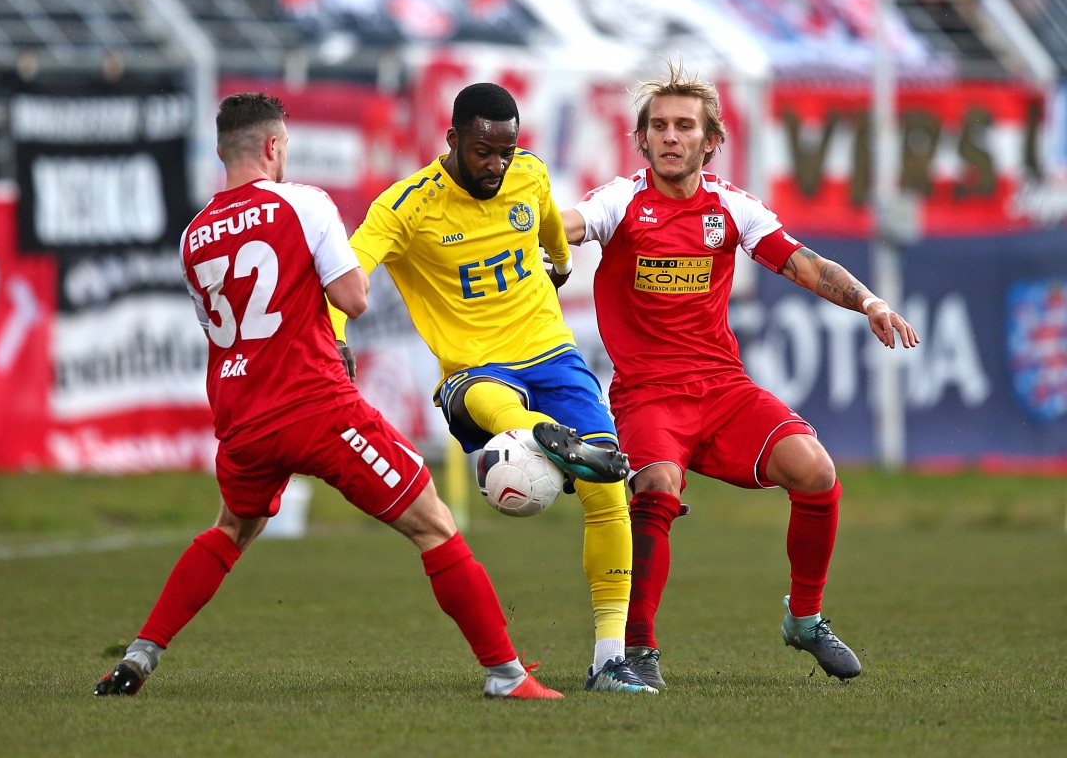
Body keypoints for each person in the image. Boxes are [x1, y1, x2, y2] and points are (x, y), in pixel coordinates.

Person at [94, 92, 561, 701]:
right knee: (435, 525)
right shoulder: (305, 203)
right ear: (273, 146)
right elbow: (353, 298)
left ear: (220, 150)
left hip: (241, 417)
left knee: (231, 528)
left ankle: (139, 656)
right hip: (316, 408)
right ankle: (507, 675)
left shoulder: (194, 236)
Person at [560, 61, 920, 687]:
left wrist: (870, 302)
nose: (671, 137)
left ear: (711, 141)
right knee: (655, 488)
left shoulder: (731, 207)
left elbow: (805, 265)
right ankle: (638, 654)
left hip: (723, 390)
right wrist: (531, 229)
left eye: (685, 126)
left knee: (816, 471)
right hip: (648, 397)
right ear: (641, 139)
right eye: (659, 127)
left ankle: (804, 620)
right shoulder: (621, 200)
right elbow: (570, 223)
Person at [332, 82, 655, 693]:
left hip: (552, 354)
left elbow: (552, 228)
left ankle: (609, 659)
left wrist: (559, 264)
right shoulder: (405, 207)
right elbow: (348, 271)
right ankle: (548, 439)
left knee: (610, 492)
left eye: (506, 151)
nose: (496, 165)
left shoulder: (527, 176)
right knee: (496, 406)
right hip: (475, 371)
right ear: (452, 139)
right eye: (483, 151)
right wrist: (337, 337)